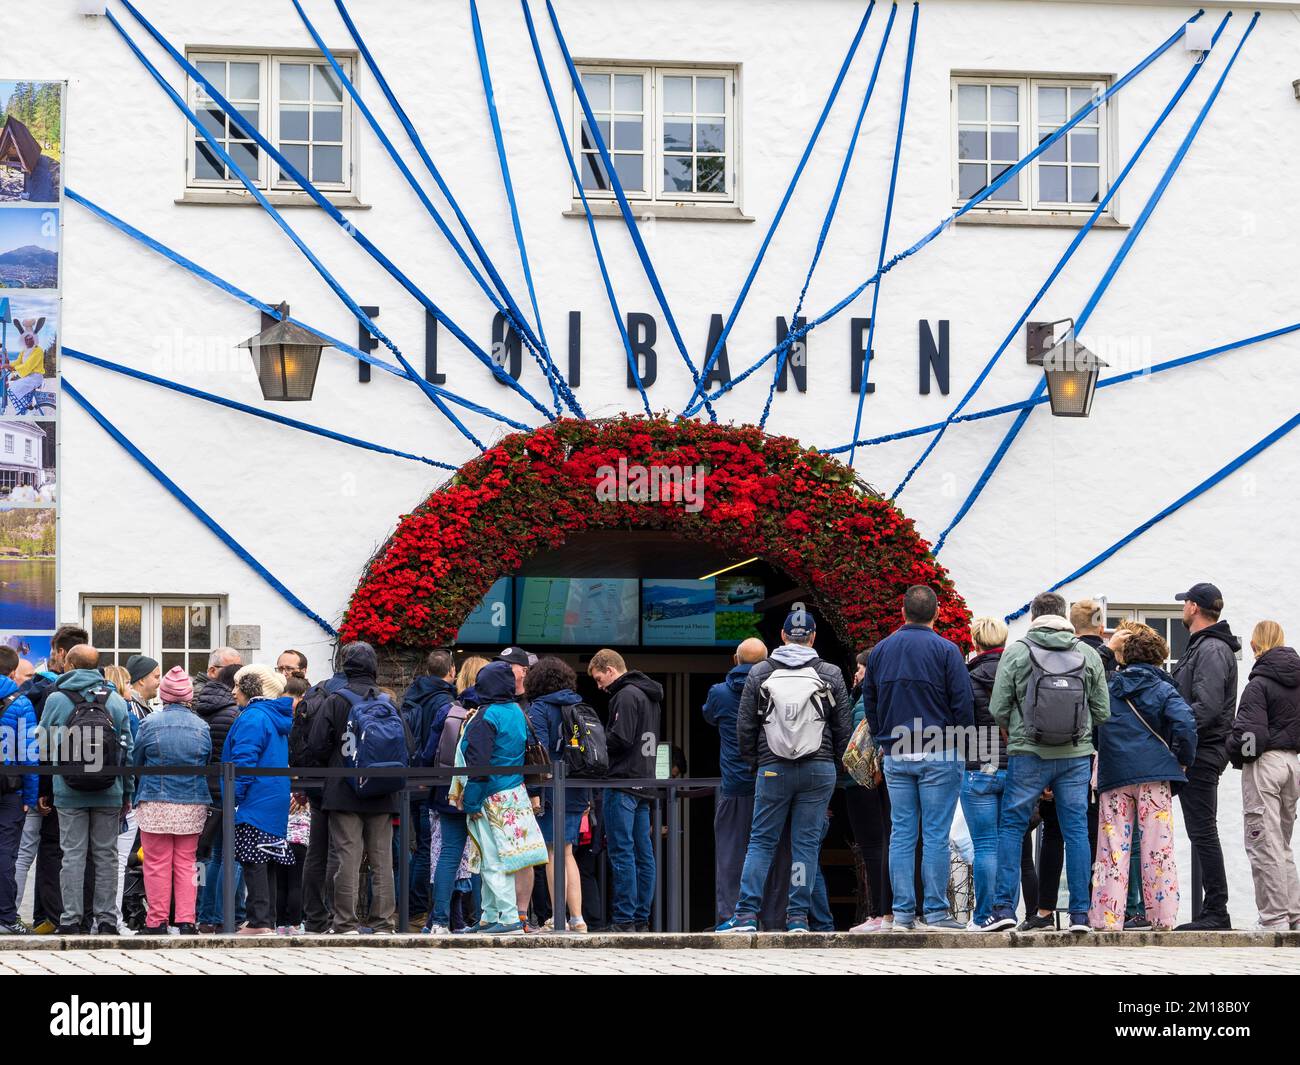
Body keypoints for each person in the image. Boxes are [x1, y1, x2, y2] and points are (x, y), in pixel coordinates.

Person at [979, 592, 1110, 933]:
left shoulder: (1018, 652)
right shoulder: (1085, 654)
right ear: (1064, 615)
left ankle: (1004, 908)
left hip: (1028, 754)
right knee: (1076, 831)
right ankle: (1080, 914)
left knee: (1011, 827)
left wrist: (1019, 731)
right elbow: (1103, 712)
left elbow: (997, 708)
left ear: (1034, 616)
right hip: (1075, 756)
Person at [718, 609, 851, 934]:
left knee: (761, 842)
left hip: (772, 768)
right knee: (804, 846)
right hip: (818, 770)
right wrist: (831, 766)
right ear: (814, 637)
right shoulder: (830, 673)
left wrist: (757, 763)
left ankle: (747, 915)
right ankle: (797, 919)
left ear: (782, 636)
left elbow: (744, 727)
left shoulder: (761, 672)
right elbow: (844, 730)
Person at [863, 588, 973, 932]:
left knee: (902, 834)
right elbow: (962, 702)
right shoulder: (946, 650)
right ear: (936, 613)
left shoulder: (881, 651)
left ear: (902, 611)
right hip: (940, 749)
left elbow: (870, 700)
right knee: (936, 834)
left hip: (897, 750)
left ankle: (902, 913)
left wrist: (884, 738)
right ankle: (936, 912)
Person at [1090, 625, 1197, 930]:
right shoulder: (1164, 689)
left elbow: (1095, 728)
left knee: (1112, 848)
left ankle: (1106, 919)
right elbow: (1186, 724)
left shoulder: (1109, 687)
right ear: (1158, 658)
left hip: (1115, 776)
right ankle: (1162, 918)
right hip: (1154, 777)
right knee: (1157, 847)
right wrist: (1182, 760)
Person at [304, 642, 404, 935]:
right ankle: (383, 922)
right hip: (382, 789)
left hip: (344, 789)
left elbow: (317, 745)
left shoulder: (335, 700)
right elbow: (407, 745)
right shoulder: (387, 701)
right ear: (374, 667)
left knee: (346, 856)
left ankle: (344, 922)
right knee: (382, 858)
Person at [38, 644, 135, 935]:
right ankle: (105, 920)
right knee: (106, 855)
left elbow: (43, 745)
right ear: (97, 667)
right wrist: (127, 792)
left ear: (68, 664)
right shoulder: (115, 700)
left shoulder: (56, 699)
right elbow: (127, 751)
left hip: (68, 790)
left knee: (72, 855)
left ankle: (70, 920)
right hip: (109, 789)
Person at [704, 637, 792, 931]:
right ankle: (773, 918)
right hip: (772, 781)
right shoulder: (777, 689)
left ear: (735, 659)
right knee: (775, 853)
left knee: (731, 855)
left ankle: (733, 916)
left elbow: (709, 716)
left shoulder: (719, 693)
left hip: (734, 785)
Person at [454, 661, 547, 935]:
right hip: (514, 793)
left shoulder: (486, 716)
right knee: (505, 856)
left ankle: (504, 917)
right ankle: (490, 917)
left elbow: (478, 766)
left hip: (490, 796)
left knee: (492, 859)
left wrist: (470, 802)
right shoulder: (516, 711)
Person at [958, 616, 1037, 930]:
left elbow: (961, 725)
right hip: (1017, 767)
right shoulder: (1022, 673)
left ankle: (984, 916)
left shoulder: (967, 678)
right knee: (1011, 844)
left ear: (976, 642)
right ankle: (1007, 912)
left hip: (980, 766)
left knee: (985, 846)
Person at [1171, 582, 1240, 930]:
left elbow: (1207, 707)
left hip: (1202, 750)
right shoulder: (1204, 646)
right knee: (1200, 830)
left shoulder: (1211, 648)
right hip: (1198, 748)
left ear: (1194, 607)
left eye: (1184, 603)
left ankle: (1216, 911)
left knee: (1202, 830)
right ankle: (1213, 910)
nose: (1182, 608)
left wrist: (1177, 736)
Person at [1229, 620, 1300, 930]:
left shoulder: (1258, 683)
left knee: (1262, 841)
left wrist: (1230, 747)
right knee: (1281, 842)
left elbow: (1250, 738)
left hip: (1266, 764)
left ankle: (1273, 918)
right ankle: (1294, 914)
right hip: (1293, 764)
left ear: (1256, 646)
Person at [132, 666, 212, 935]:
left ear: (164, 696)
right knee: (187, 862)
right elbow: (206, 761)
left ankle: (157, 921)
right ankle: (187, 920)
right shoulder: (202, 727)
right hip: (192, 801)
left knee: (156, 863)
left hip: (155, 799)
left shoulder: (149, 723)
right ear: (188, 696)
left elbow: (137, 761)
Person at [588, 649, 663, 933]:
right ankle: (641, 917)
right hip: (645, 780)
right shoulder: (649, 694)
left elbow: (620, 738)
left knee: (622, 852)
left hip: (622, 782)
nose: (599, 686)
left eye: (598, 679)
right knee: (644, 854)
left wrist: (594, 740)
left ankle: (623, 919)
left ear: (609, 669)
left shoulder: (625, 695)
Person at [222, 665, 294, 936]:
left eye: (237, 686)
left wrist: (234, 796)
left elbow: (243, 761)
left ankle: (259, 921)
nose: (233, 691)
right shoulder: (272, 715)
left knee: (255, 862)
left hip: (255, 799)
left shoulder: (253, 717)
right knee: (266, 860)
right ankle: (265, 919)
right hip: (272, 797)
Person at [419, 656, 487, 935]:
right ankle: (485, 918)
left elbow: (428, 754)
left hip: (449, 793)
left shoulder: (449, 710)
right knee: (485, 857)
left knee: (448, 854)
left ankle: (439, 920)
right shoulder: (492, 711)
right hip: (484, 791)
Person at [525, 656, 589, 933]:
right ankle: (578, 918)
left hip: (552, 789)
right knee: (568, 852)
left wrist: (534, 791)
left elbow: (539, 752)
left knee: (552, 852)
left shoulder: (540, 708)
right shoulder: (579, 705)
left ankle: (559, 917)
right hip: (577, 787)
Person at [401, 649, 457, 921]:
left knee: (416, 847)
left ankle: (410, 907)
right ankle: (417, 909)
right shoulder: (445, 701)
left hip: (410, 776)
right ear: (452, 671)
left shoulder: (412, 695)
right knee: (427, 847)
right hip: (430, 780)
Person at [194, 662, 245, 932]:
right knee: (231, 856)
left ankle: (208, 915)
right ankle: (221, 915)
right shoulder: (235, 713)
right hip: (229, 790)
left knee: (212, 855)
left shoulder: (201, 707)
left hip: (206, 788)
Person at [844, 648, 892, 933]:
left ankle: (877, 913)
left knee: (873, 847)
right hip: (871, 782)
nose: (855, 674)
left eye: (860, 669)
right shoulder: (866, 697)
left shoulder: (865, 701)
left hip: (863, 783)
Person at [0, 645, 38, 934]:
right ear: (13, 671)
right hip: (10, 789)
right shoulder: (21, 703)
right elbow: (30, 754)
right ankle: (7, 916)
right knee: (6, 853)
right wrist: (30, 795)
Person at [124, 656, 159, 723]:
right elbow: (98, 732)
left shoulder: (140, 707)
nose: (159, 682)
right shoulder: (132, 709)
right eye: (156, 677)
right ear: (142, 680)